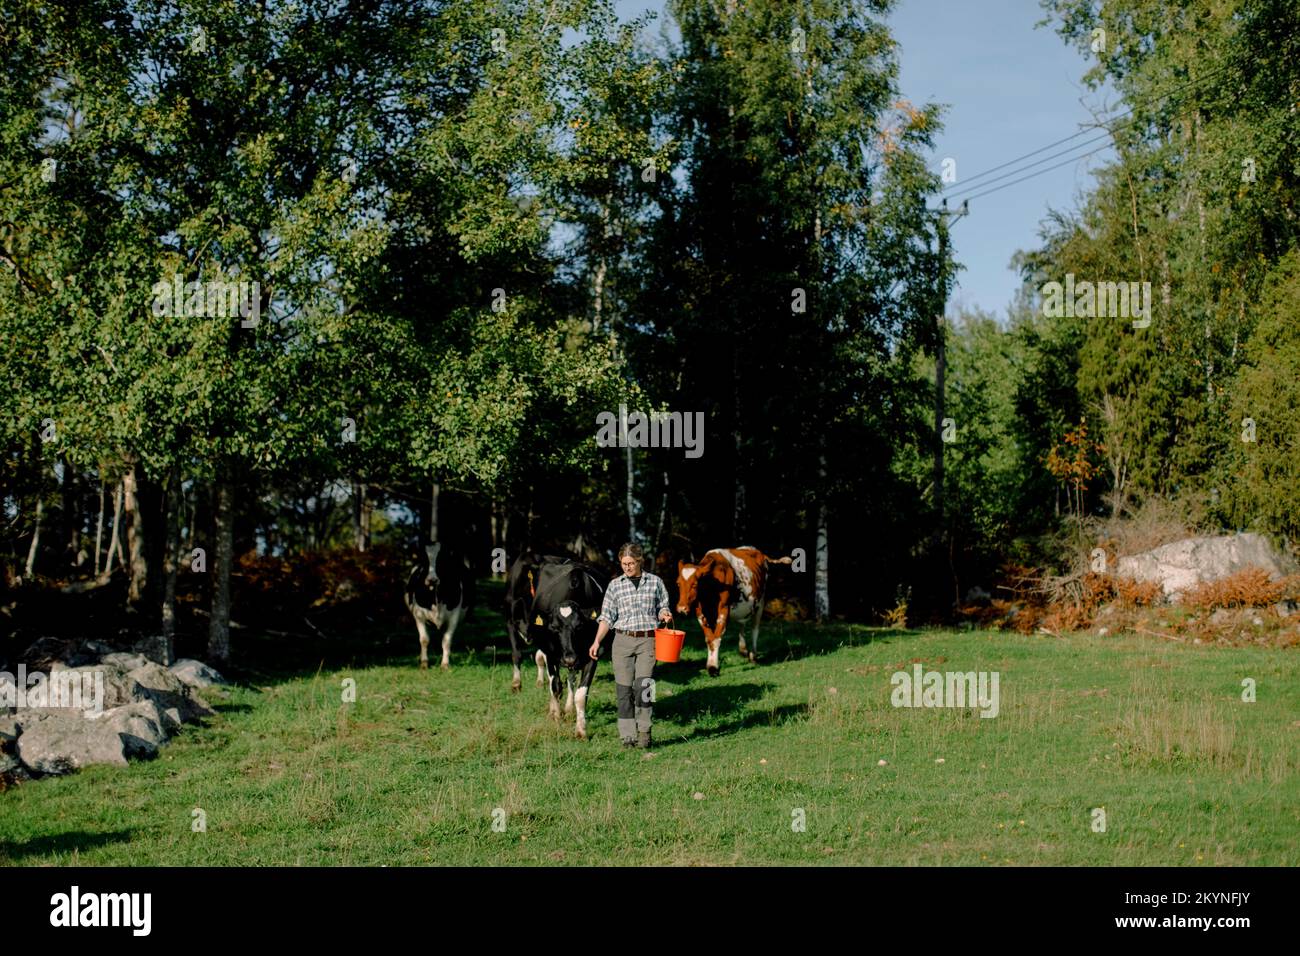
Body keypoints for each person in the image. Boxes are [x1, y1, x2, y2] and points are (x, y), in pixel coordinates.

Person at [589, 542, 673, 749]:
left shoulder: (655, 582)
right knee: (624, 691)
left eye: (631, 563)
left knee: (644, 688)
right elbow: (607, 617)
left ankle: (645, 732)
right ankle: (628, 736)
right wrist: (597, 640)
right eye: (623, 563)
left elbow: (662, 606)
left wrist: (664, 614)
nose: (626, 567)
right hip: (622, 642)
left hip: (648, 640)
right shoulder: (615, 585)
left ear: (640, 561)